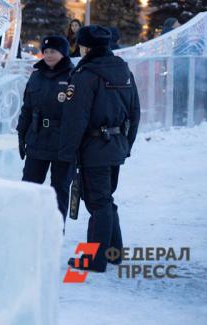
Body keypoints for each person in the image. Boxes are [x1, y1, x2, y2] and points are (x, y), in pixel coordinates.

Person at [58, 25, 140, 273]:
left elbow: (75, 119)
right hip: (115, 145)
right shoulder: (123, 70)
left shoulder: (86, 75)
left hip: (94, 148)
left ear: (86, 47)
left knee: (97, 202)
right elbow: (135, 112)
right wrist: (126, 144)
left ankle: (94, 258)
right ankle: (114, 252)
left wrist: (66, 153)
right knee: (105, 199)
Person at [17, 35, 74, 219]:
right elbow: (27, 108)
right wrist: (21, 134)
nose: (49, 55)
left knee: (60, 190)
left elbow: (79, 114)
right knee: (29, 187)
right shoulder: (36, 76)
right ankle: (27, 226)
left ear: (63, 53)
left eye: (54, 52)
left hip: (62, 143)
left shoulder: (73, 76)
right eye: (46, 51)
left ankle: (56, 231)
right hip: (37, 139)